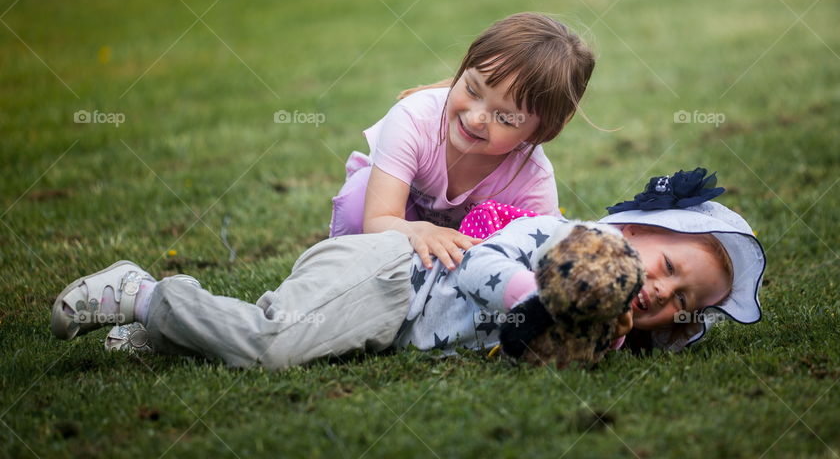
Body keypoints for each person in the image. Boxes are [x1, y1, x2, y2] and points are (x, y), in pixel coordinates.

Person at [50, 169, 767, 368]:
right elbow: (482, 260)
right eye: (668, 265)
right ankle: (145, 293)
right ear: (635, 230)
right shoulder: (565, 244)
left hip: (387, 324)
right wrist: (529, 302)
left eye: (685, 305)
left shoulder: (599, 327)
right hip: (396, 271)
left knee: (290, 338)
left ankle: (164, 337)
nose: (665, 293)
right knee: (271, 348)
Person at [330, 12, 595, 272]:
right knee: (358, 199)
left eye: (503, 117)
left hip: (464, 258)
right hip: (398, 225)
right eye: (471, 89)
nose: (476, 118)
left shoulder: (532, 178)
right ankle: (342, 274)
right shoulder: (415, 118)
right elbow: (377, 218)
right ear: (462, 71)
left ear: (538, 134)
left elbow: (545, 253)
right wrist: (416, 230)